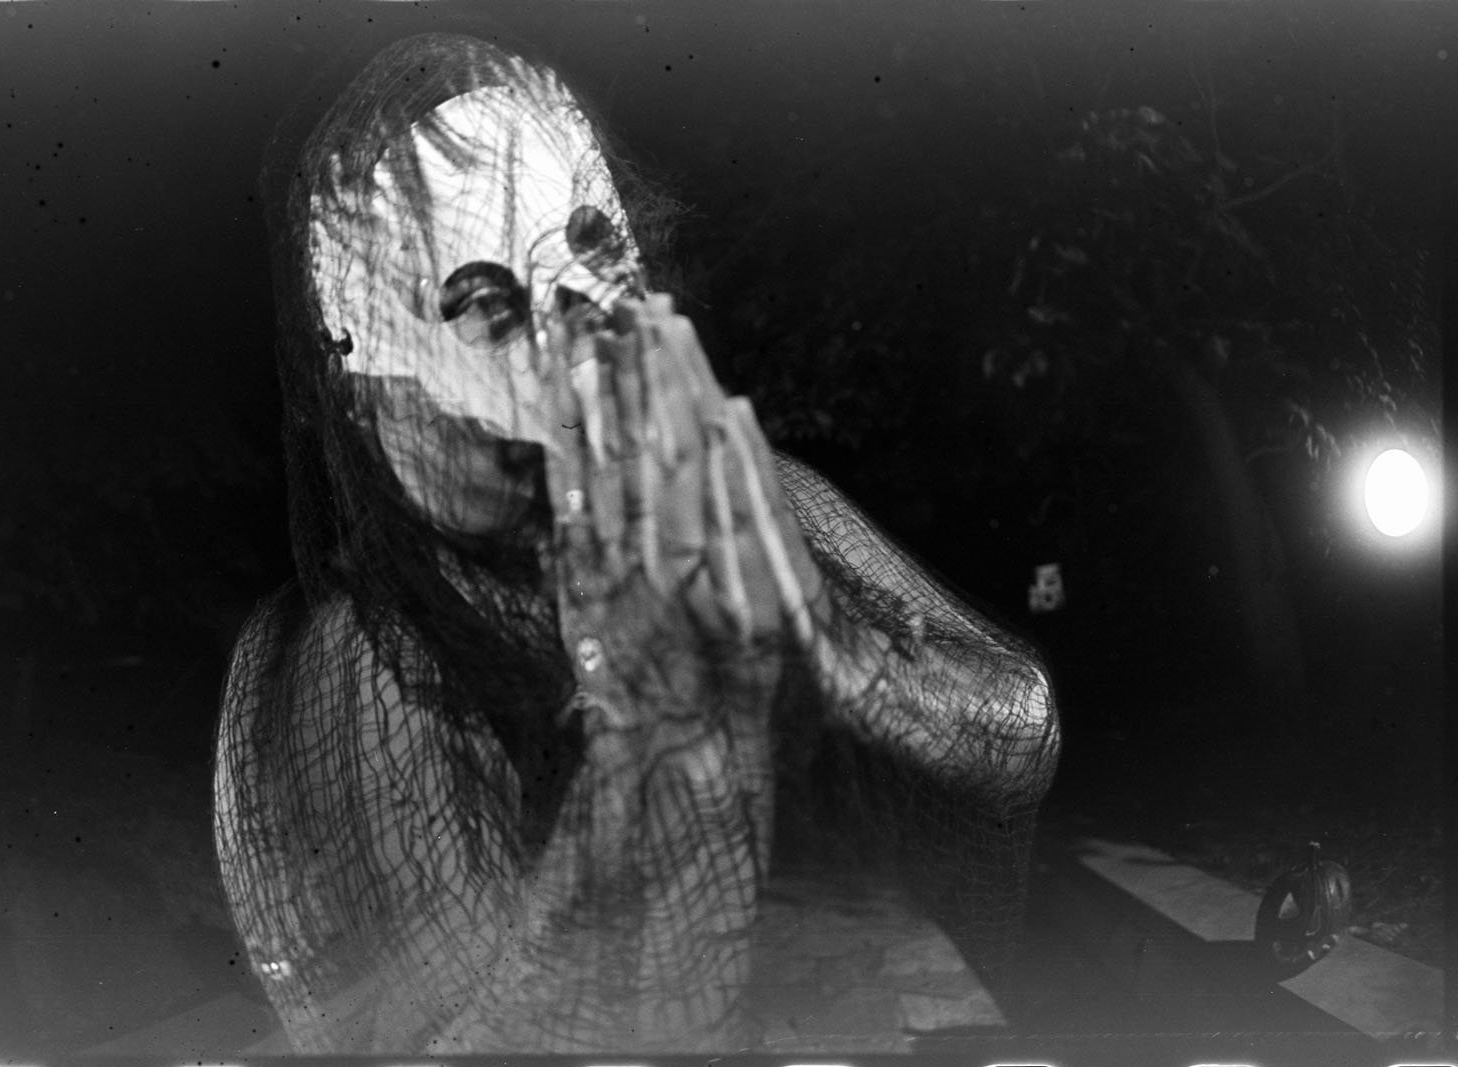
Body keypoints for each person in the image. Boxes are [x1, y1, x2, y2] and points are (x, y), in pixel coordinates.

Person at [213, 31, 1059, 1054]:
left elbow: (1018, 729)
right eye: (484, 298)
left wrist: (835, 646)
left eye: (588, 237)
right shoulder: (361, 659)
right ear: (369, 347)